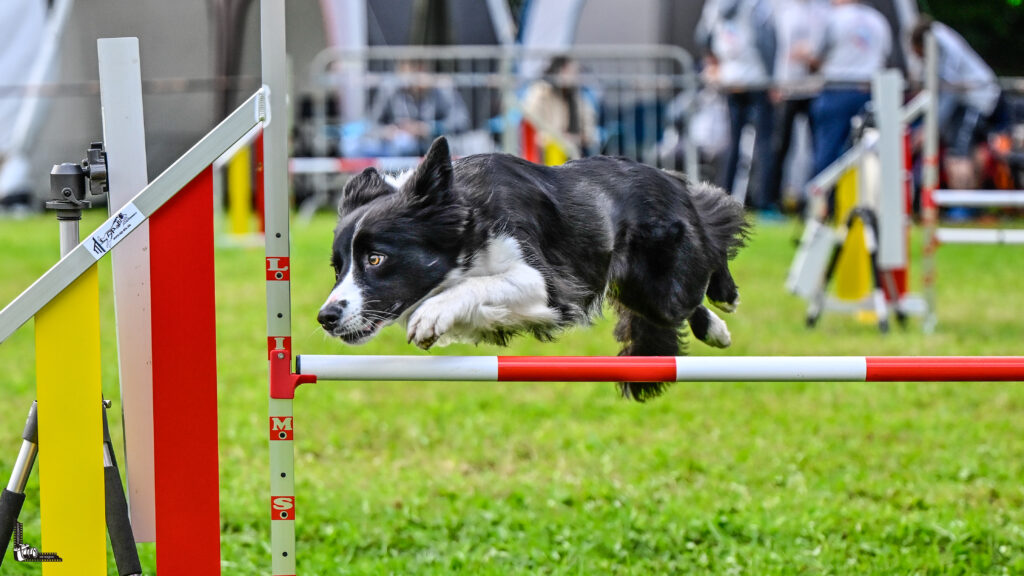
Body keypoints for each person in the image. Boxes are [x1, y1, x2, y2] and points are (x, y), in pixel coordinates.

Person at [696, 0, 777, 210]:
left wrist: (716, 64)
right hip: (757, 79)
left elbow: (703, 37)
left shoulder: (714, 6)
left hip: (730, 79)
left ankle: (723, 197)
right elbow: (765, 42)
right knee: (764, 144)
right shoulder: (756, 5)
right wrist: (772, 78)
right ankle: (763, 200)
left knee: (733, 143)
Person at [911, 16, 1004, 191]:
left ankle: (962, 206)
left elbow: (949, 90)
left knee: (957, 154)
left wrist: (931, 127)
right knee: (972, 150)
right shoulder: (940, 34)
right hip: (980, 96)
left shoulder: (941, 44)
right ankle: (973, 203)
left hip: (977, 99)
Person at [808, 0, 892, 189]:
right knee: (867, 153)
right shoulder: (878, 20)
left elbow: (815, 56)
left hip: (837, 90)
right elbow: (885, 57)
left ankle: (823, 205)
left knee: (827, 152)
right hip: (869, 92)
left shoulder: (832, 18)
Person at [763, 0, 831, 214]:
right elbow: (772, 48)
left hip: (813, 88)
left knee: (817, 148)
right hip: (788, 87)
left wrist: (811, 57)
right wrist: (774, 82)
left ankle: (816, 201)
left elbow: (825, 49)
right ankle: (770, 200)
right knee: (780, 146)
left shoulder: (823, 11)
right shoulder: (782, 11)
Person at [366, 59, 470, 156]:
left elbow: (461, 121)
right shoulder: (391, 90)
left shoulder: (442, 89)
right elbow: (372, 124)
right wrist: (387, 132)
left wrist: (428, 128)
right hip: (397, 147)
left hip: (435, 145)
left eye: (421, 68)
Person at [521, 56, 599, 158]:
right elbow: (530, 121)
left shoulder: (579, 97)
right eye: (570, 71)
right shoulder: (540, 92)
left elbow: (589, 131)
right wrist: (556, 137)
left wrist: (576, 138)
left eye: (576, 72)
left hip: (573, 150)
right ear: (558, 71)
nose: (575, 76)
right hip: (546, 149)